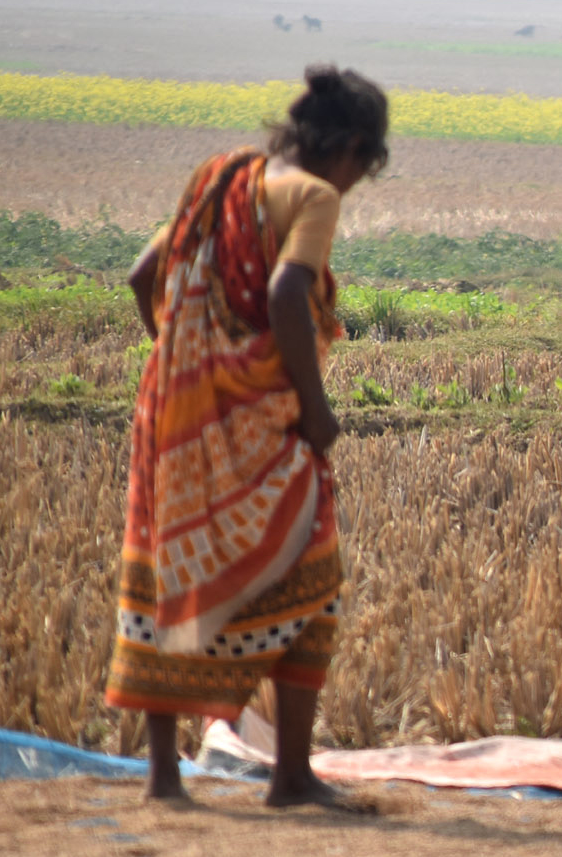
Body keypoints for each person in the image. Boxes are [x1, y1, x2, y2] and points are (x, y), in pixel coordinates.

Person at [105, 64, 388, 806]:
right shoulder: (315, 196)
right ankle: (291, 775)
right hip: (263, 423)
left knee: (167, 578)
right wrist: (313, 406)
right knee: (312, 576)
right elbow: (288, 292)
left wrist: (188, 361)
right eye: (365, 168)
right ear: (352, 148)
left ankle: (164, 777)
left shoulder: (222, 179)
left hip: (173, 418)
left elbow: (144, 275)